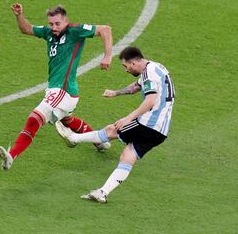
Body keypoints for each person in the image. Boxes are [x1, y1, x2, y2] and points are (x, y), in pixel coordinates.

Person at [0, 3, 113, 170]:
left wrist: (107, 56)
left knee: (34, 119)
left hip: (63, 91)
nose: (54, 27)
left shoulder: (75, 31)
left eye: (58, 23)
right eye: (51, 24)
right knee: (68, 120)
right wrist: (19, 15)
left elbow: (105, 29)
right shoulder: (48, 33)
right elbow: (26, 29)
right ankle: (100, 141)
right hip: (60, 90)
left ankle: (11, 156)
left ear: (66, 21)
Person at [55, 46, 175, 203]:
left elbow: (150, 100)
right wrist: (115, 93)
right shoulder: (156, 67)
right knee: (128, 156)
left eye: (126, 66)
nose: (126, 70)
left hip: (149, 124)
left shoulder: (149, 74)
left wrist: (128, 118)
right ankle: (103, 193)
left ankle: (74, 138)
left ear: (133, 62)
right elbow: (136, 87)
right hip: (161, 131)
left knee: (112, 130)